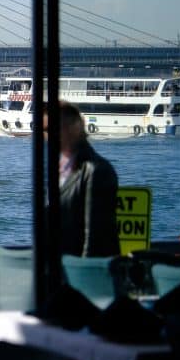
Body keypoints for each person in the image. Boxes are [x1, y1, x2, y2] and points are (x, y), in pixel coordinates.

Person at [48, 100, 121, 257]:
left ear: (74, 128)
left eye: (54, 129)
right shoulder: (58, 168)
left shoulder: (96, 171)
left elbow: (95, 236)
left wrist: (81, 274)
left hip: (82, 272)